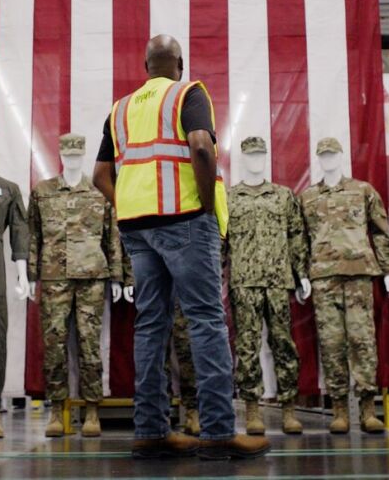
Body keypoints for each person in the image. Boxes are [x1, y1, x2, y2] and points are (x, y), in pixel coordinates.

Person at [94, 35, 269, 461]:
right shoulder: (187, 93)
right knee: (206, 320)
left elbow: (100, 174)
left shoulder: (120, 110)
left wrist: (129, 204)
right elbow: (201, 146)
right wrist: (205, 204)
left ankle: (151, 431)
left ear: (145, 65)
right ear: (180, 64)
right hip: (186, 220)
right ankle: (216, 432)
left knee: (150, 325)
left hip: (138, 228)